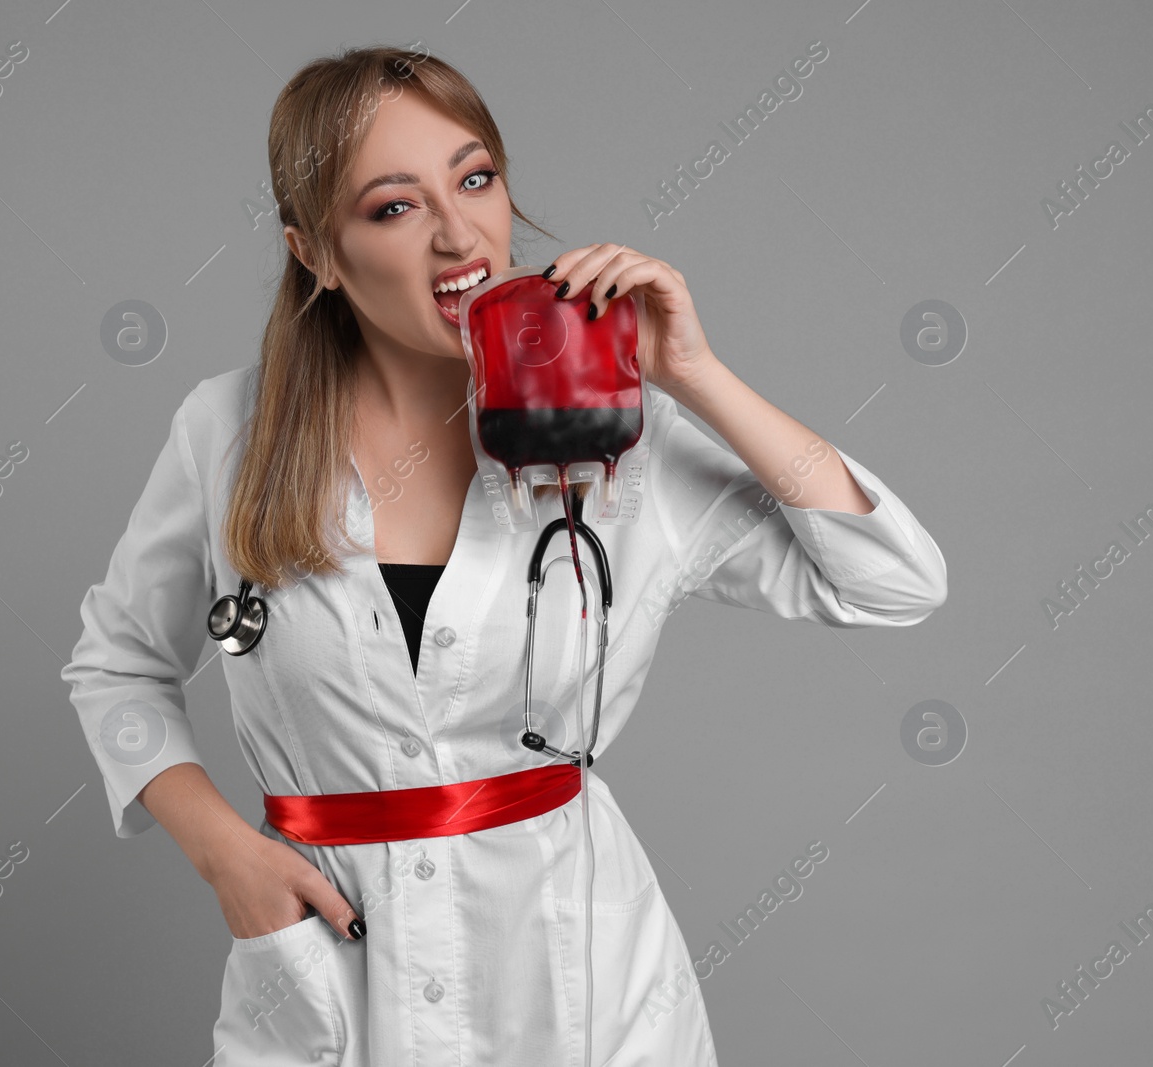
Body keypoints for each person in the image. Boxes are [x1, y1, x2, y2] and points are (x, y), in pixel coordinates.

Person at [61, 44, 947, 1066]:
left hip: (580, 974)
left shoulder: (617, 430)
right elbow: (116, 665)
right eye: (393, 207)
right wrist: (226, 855)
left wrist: (692, 374)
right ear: (315, 254)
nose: (459, 235)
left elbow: (894, 581)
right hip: (330, 974)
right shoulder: (227, 431)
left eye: (475, 179)